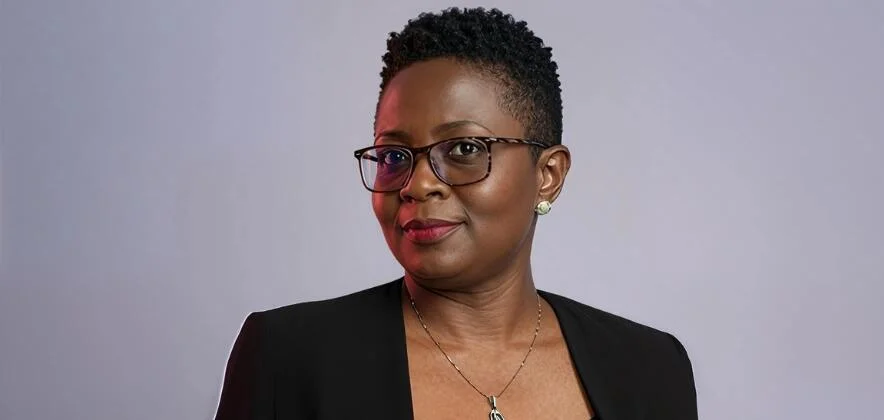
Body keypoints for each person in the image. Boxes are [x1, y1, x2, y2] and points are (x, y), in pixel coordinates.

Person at [214, 7, 697, 420]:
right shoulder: (288, 359)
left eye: (465, 148)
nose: (417, 184)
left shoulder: (651, 367)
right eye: (393, 156)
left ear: (548, 174)